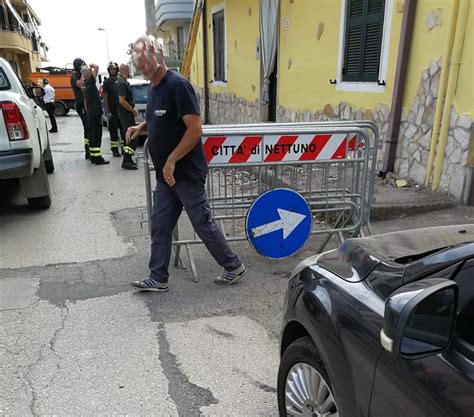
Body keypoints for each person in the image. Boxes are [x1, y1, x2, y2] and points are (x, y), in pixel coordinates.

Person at [128, 35, 246, 292]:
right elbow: (160, 117)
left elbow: (194, 129)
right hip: (166, 177)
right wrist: (141, 126)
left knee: (202, 224)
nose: (144, 71)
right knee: (160, 225)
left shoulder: (178, 86)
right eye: (141, 67)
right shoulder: (152, 87)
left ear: (158, 58)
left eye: (147, 66)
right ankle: (158, 277)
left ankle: (233, 266)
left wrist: (171, 160)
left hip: (185, 173)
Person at [81, 64, 109, 165]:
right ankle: (98, 158)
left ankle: (93, 156)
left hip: (90, 112)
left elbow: (85, 101)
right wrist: (91, 65)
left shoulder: (83, 85)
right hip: (95, 113)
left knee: (92, 135)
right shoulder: (90, 82)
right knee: (97, 135)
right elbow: (97, 67)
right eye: (89, 71)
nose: (92, 72)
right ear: (87, 74)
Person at [116, 64, 138, 170]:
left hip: (125, 114)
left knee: (128, 137)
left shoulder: (122, 82)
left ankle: (128, 159)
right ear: (126, 70)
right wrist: (132, 110)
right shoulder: (122, 83)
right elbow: (121, 100)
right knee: (132, 137)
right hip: (126, 114)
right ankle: (126, 160)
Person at [71, 58, 91, 159]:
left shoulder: (82, 75)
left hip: (87, 104)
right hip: (81, 105)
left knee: (90, 127)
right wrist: (83, 74)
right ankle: (87, 150)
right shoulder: (74, 76)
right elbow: (80, 84)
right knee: (87, 127)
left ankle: (90, 148)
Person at [102, 61, 121, 157]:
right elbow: (105, 97)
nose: (113, 71)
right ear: (109, 71)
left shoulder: (120, 80)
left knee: (123, 130)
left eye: (114, 69)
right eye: (111, 69)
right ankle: (115, 150)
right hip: (112, 111)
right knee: (113, 131)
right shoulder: (106, 83)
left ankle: (125, 149)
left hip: (121, 110)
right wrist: (108, 112)